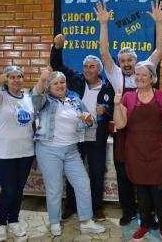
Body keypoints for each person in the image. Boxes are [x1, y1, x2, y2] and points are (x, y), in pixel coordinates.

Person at [94, 0, 162, 226]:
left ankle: (149, 213)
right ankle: (129, 211)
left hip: (147, 133)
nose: (126, 63)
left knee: (147, 173)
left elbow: (160, 49)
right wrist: (103, 25)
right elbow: (104, 52)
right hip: (123, 132)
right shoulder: (115, 75)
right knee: (124, 173)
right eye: (122, 60)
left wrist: (159, 22)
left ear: (137, 60)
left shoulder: (145, 69)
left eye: (130, 60)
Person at [32, 69, 106, 236]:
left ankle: (86, 221)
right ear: (49, 87)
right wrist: (42, 80)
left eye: (62, 82)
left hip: (72, 150)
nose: (59, 85)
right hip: (48, 150)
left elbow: (89, 122)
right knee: (54, 188)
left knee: (83, 184)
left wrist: (89, 119)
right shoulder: (45, 100)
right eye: (55, 83)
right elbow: (34, 101)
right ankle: (54, 221)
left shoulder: (75, 100)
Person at [50, 34, 115, 221]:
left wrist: (107, 109)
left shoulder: (108, 88)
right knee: (73, 172)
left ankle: (97, 208)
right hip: (76, 134)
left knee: (96, 173)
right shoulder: (77, 80)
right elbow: (57, 67)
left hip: (97, 136)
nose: (87, 69)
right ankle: (70, 206)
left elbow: (114, 111)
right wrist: (57, 48)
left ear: (99, 70)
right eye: (85, 66)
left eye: (91, 67)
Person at [113, 61, 162, 242]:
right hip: (135, 150)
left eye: (143, 74)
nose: (139, 77)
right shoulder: (127, 97)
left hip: (158, 151)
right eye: (137, 74)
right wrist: (117, 105)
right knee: (141, 190)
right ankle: (144, 225)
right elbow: (120, 124)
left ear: (152, 78)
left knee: (159, 191)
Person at [0, 66, 34, 242]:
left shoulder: (28, 98)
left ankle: (13, 220)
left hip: (26, 152)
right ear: (6, 80)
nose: (16, 80)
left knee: (19, 189)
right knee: (9, 189)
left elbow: (31, 125)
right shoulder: (0, 96)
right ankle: (0, 223)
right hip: (4, 153)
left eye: (19, 76)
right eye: (12, 77)